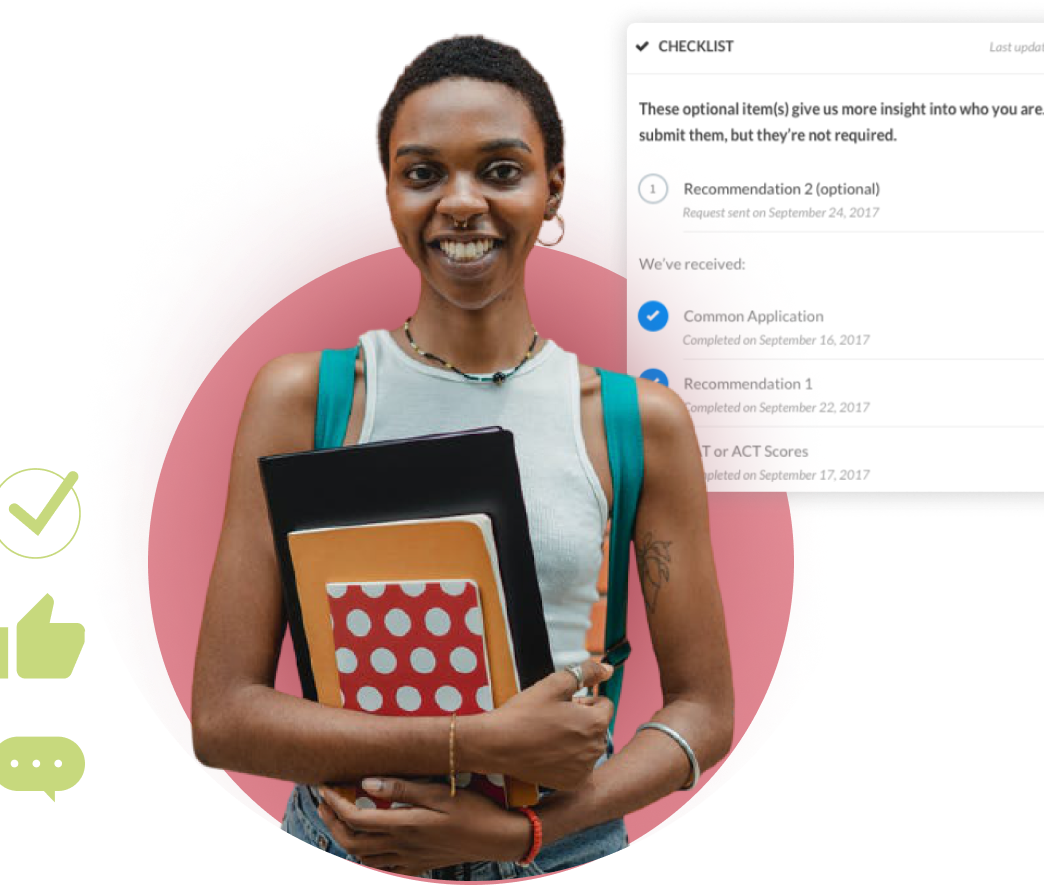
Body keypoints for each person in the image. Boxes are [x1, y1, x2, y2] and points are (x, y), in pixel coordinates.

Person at [191, 33, 733, 879]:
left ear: (553, 190)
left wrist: (527, 836)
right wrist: (476, 741)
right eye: (423, 173)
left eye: (501, 170)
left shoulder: (637, 423)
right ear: (392, 197)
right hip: (348, 839)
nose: (460, 202)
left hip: (563, 845)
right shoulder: (306, 401)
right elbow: (222, 717)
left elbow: (703, 709)